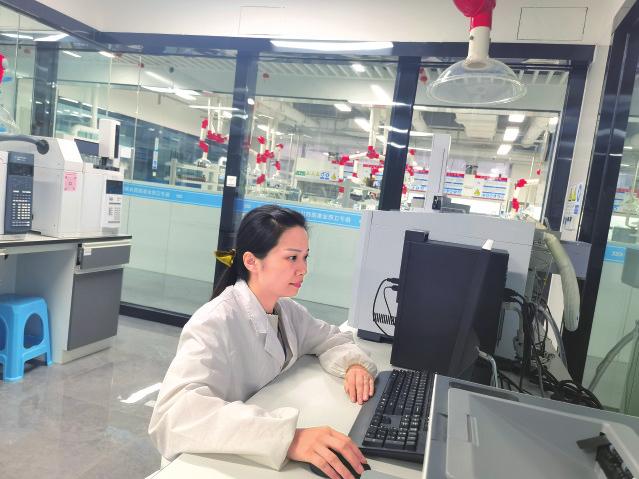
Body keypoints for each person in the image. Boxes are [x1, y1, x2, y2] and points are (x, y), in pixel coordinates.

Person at [149, 205, 377, 479]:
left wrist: (353, 365)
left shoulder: (288, 311)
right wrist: (287, 438)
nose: (303, 269)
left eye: (305, 257)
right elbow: (173, 417)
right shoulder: (214, 321)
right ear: (251, 261)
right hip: (206, 463)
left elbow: (330, 337)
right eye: (292, 258)